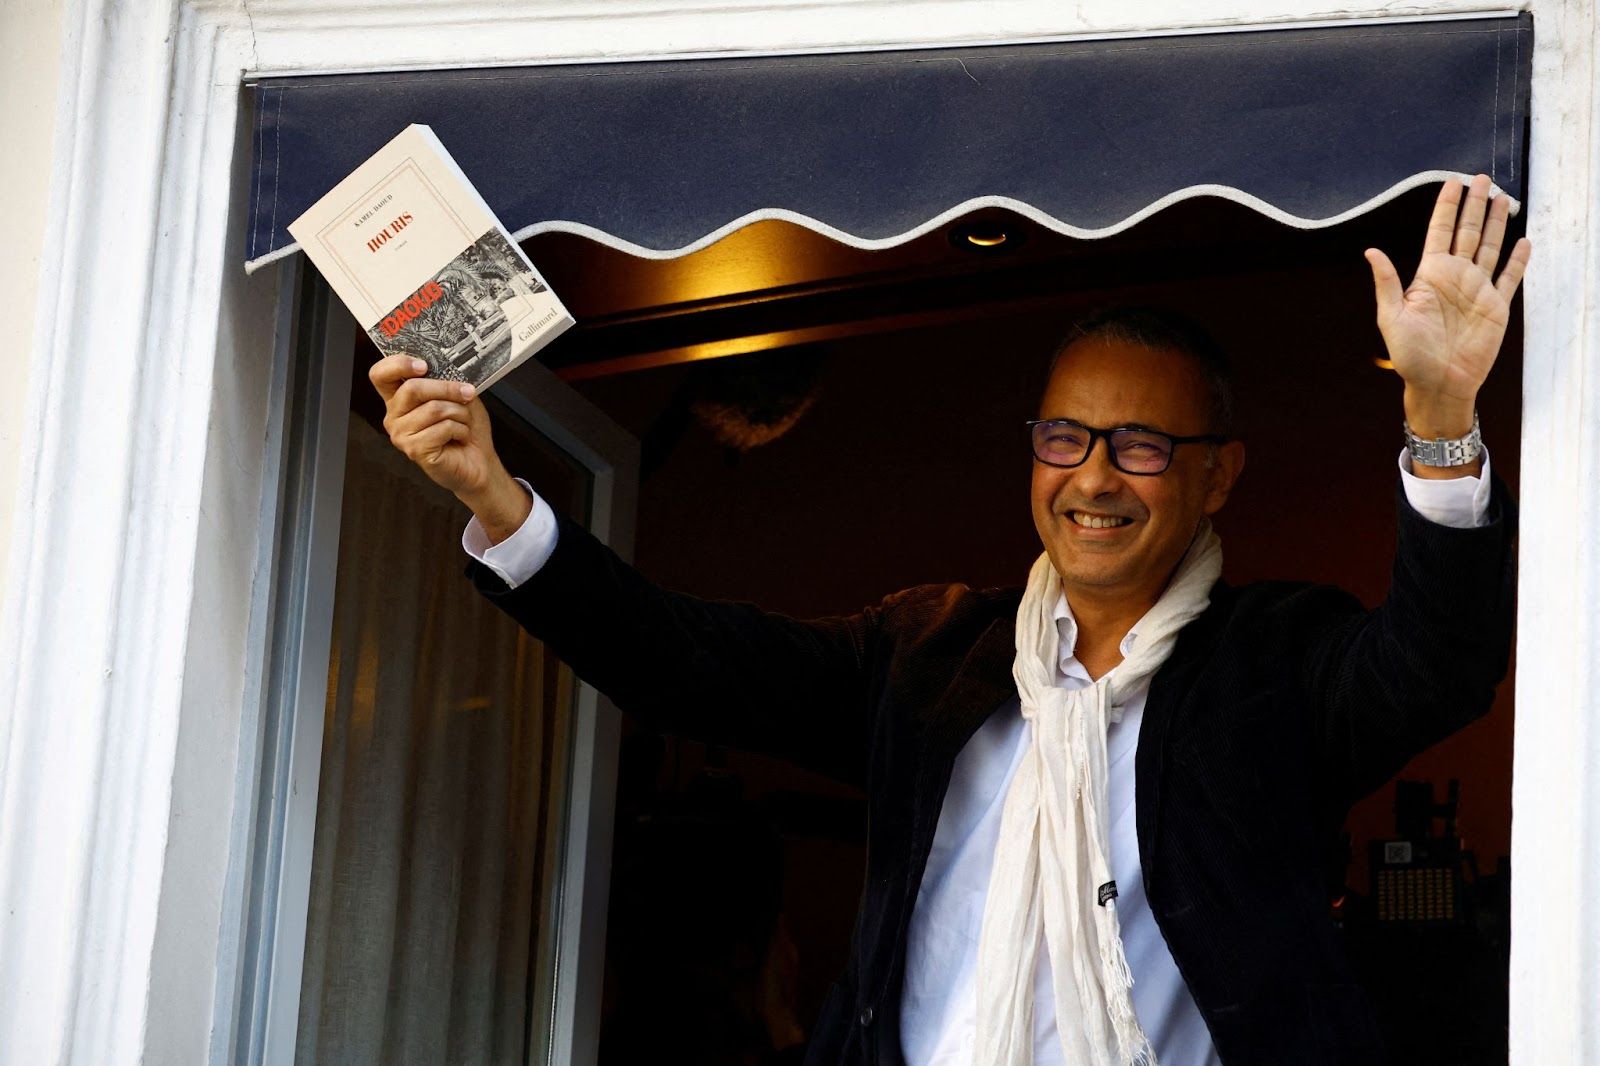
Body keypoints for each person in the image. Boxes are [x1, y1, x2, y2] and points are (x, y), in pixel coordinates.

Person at [367, 174, 1528, 1065]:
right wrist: (498, 500)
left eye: (1142, 446)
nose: (1093, 477)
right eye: (1064, 437)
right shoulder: (927, 654)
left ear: (1219, 476)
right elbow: (690, 662)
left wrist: (1438, 412)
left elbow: (1437, 664)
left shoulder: (1273, 664)